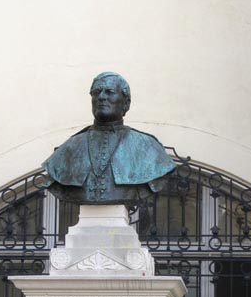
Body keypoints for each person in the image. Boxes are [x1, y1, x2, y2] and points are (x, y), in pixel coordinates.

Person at [41, 72, 176, 206]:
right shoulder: (70, 147)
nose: (102, 97)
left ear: (126, 103)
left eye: (109, 92)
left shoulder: (148, 147)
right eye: (96, 92)